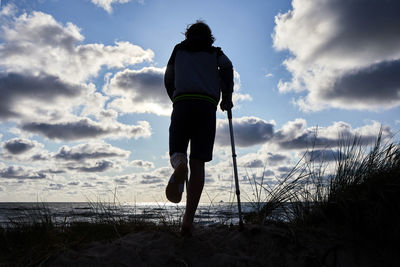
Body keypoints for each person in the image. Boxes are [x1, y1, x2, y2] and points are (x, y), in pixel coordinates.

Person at [164, 20, 234, 236]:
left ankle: (179, 164)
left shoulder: (179, 50)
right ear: (209, 36)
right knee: (199, 163)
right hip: (206, 107)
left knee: (177, 151)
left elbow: (168, 77)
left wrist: (174, 97)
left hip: (183, 102)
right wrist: (226, 97)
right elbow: (228, 67)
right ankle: (188, 220)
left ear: (188, 35)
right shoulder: (215, 53)